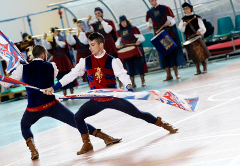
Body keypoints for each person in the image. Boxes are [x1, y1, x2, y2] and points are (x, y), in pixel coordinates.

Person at [45, 32, 178, 155]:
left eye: (93, 45)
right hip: (96, 99)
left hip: (112, 97)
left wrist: (129, 87)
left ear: (101, 44)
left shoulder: (112, 60)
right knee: (78, 116)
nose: (90, 48)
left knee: (138, 113)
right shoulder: (85, 61)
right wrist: (55, 87)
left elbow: (122, 75)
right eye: (89, 45)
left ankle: (163, 124)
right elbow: (71, 75)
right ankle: (87, 144)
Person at [0, 45, 119, 160]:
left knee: (24, 126)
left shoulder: (22, 68)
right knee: (76, 120)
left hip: (33, 109)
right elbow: (53, 78)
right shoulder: (52, 65)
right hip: (51, 105)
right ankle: (105, 138)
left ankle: (33, 151)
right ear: (43, 55)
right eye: (46, 54)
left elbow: (7, 82)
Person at [146, 0, 185, 81]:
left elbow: (173, 21)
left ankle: (176, 73)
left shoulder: (165, 8)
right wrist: (149, 26)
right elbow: (149, 23)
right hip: (157, 35)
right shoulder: (149, 12)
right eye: (150, 1)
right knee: (163, 54)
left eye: (152, 0)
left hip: (166, 34)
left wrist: (169, 23)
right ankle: (168, 74)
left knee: (171, 53)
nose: (151, 3)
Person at [42, 28, 77, 97]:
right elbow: (46, 46)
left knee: (68, 76)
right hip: (57, 62)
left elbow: (62, 45)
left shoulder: (63, 41)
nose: (54, 33)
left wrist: (56, 37)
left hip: (64, 61)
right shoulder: (52, 43)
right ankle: (64, 95)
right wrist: (45, 39)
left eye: (55, 32)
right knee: (60, 78)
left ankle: (72, 94)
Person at [115, 15, 148, 87]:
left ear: (127, 21)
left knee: (139, 65)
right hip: (126, 51)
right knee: (129, 67)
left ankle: (143, 81)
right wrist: (118, 45)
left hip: (134, 50)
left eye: (124, 21)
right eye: (122, 22)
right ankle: (132, 83)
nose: (123, 23)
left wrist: (138, 41)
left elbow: (141, 37)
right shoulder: (119, 31)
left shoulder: (133, 28)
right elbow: (118, 41)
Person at [178, 2, 207, 74]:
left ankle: (204, 67)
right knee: (193, 54)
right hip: (189, 38)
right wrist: (183, 25)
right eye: (184, 9)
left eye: (187, 8)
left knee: (201, 53)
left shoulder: (197, 17)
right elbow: (181, 29)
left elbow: (203, 28)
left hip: (197, 37)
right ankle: (197, 69)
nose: (186, 10)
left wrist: (199, 31)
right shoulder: (183, 19)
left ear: (190, 8)